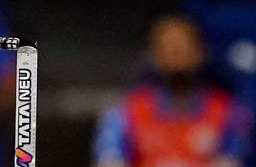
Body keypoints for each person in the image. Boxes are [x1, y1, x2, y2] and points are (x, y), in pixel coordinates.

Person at [94, 15, 251, 167]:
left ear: (199, 52)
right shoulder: (124, 113)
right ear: (154, 55)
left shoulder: (230, 113)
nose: (176, 51)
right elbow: (109, 160)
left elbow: (231, 159)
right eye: (168, 46)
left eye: (183, 45)